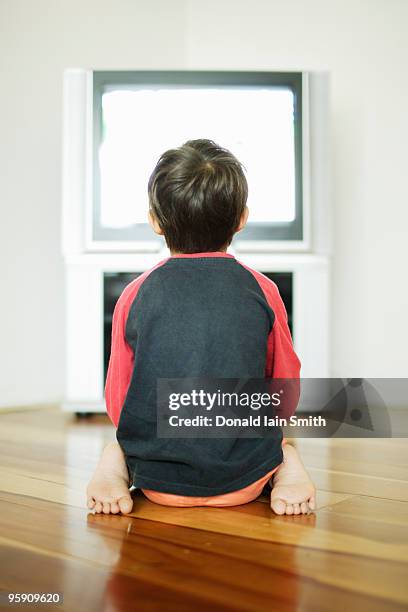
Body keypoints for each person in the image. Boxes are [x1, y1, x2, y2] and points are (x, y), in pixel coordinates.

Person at [87, 139, 316, 516]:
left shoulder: (134, 294)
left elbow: (119, 394)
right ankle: (285, 469)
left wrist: (138, 434)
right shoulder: (264, 289)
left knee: (119, 444)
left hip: (158, 482)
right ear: (241, 218)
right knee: (280, 444)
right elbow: (284, 383)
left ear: (156, 221)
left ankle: (115, 466)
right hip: (244, 481)